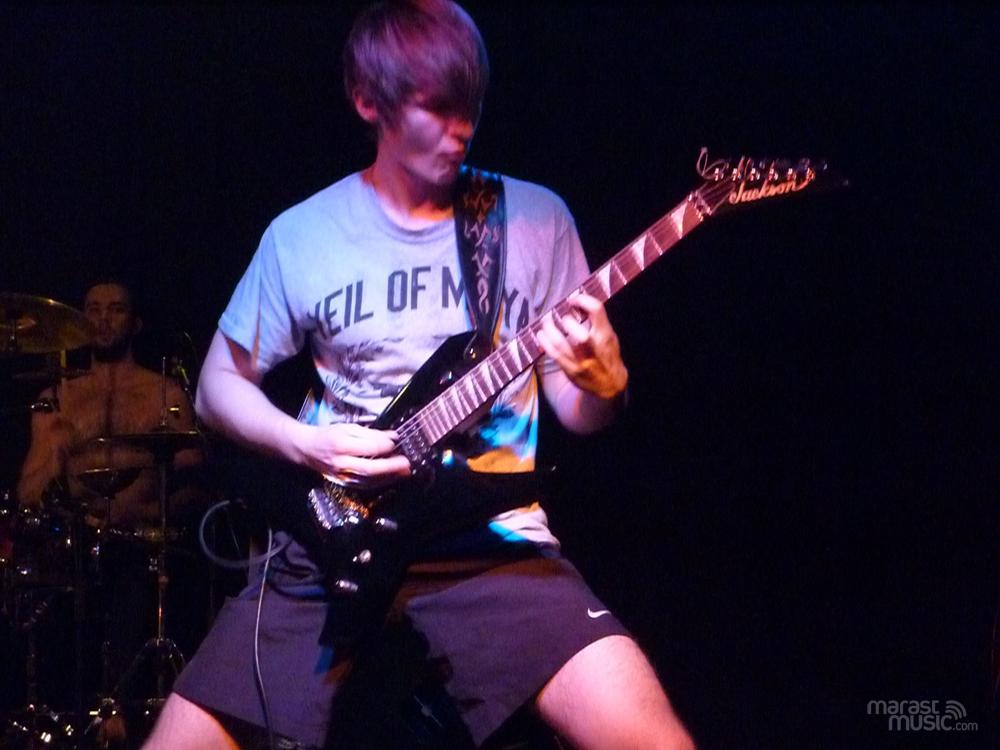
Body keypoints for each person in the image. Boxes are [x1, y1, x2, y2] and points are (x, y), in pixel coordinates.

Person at [144, 1, 695, 748]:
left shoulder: (535, 220)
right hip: (334, 537)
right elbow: (217, 387)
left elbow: (578, 412)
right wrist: (307, 444)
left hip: (490, 541)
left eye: (470, 106)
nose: (461, 129)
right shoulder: (302, 235)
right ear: (368, 102)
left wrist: (607, 382)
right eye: (436, 108)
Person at [15, 279, 206, 702]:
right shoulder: (58, 397)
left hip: (141, 541)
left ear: (135, 322)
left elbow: (193, 480)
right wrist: (54, 455)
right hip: (75, 545)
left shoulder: (163, 392)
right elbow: (28, 490)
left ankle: (121, 709)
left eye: (115, 309)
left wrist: (136, 511)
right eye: (93, 309)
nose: (103, 319)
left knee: (130, 572)